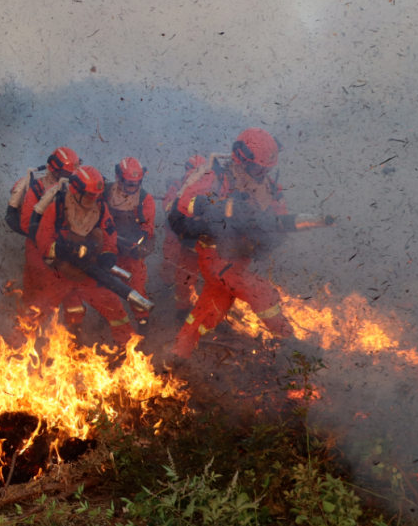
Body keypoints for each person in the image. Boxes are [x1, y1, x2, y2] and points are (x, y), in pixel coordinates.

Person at [167, 128, 293, 358]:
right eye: (258, 168)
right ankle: (290, 346)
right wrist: (219, 210)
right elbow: (181, 208)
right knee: (261, 292)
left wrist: (263, 241)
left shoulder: (271, 189)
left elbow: (280, 223)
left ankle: (177, 354)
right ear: (240, 157)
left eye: (267, 169)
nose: (262, 173)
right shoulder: (215, 178)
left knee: (210, 310)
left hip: (240, 259)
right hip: (216, 258)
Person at [34, 166, 141, 345]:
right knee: (36, 312)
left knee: (115, 310)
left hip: (89, 271)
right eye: (90, 195)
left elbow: (109, 234)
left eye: (96, 195)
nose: (93, 199)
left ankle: (125, 348)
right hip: (58, 273)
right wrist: (67, 249)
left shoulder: (100, 207)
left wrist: (108, 254)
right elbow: (43, 242)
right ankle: (17, 348)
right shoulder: (56, 208)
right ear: (75, 190)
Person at [5, 147, 84, 327]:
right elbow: (27, 224)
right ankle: (27, 331)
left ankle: (74, 332)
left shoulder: (73, 189)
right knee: (38, 295)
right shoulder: (37, 189)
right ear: (52, 168)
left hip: (67, 249)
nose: (69, 178)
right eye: (66, 174)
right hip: (38, 250)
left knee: (72, 294)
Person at [103, 158, 156, 331]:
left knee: (136, 286)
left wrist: (139, 240)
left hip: (130, 251)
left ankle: (142, 320)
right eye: (129, 183)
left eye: (136, 183)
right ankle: (107, 316)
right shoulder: (106, 192)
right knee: (105, 284)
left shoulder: (144, 199)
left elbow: (147, 227)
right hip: (107, 248)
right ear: (118, 177)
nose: (133, 187)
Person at [159, 155, 207, 318]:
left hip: (195, 237)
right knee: (170, 260)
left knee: (191, 271)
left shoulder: (209, 187)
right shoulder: (178, 185)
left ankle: (190, 301)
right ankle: (166, 284)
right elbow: (167, 205)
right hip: (174, 232)